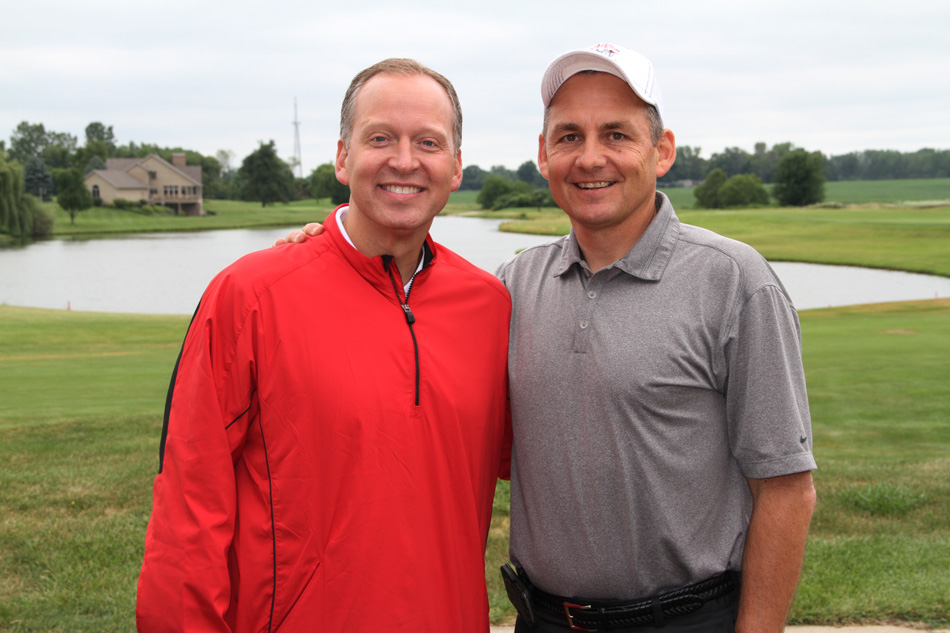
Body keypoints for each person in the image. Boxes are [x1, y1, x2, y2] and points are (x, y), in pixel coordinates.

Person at [280, 43, 817, 633]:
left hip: (685, 619)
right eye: (568, 137)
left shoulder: (734, 282)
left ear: (661, 151)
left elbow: (786, 489)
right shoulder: (511, 288)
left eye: (616, 134)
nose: (590, 158)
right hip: (542, 620)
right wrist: (331, 250)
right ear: (542, 153)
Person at [136, 58, 512, 633]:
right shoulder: (250, 296)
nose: (404, 161)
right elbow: (189, 512)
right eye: (380, 137)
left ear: (456, 167)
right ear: (343, 157)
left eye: (428, 142)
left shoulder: (490, 307)